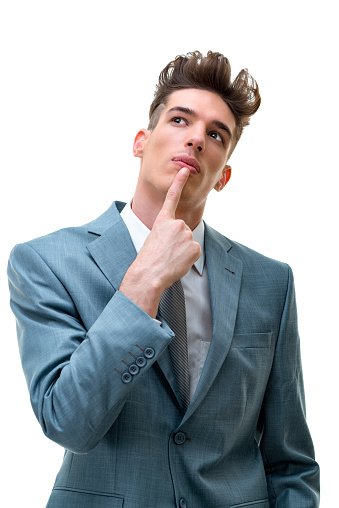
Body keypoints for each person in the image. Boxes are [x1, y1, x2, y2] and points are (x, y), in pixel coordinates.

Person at [8, 51, 320, 508]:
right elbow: (67, 421)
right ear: (140, 141)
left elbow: (290, 462)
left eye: (216, 134)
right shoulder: (46, 262)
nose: (196, 139)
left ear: (224, 176)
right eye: (180, 120)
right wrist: (142, 286)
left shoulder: (272, 282)